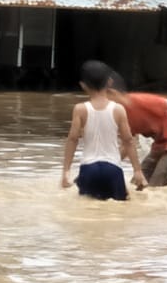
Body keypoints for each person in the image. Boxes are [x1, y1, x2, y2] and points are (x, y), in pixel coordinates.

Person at [61, 60, 147, 199]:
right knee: (120, 208)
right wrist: (137, 170)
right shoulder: (118, 109)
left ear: (83, 85)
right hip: (113, 169)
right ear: (110, 83)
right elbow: (128, 141)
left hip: (88, 169)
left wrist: (66, 171)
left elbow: (72, 139)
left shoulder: (80, 109)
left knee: (87, 208)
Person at [107, 84, 167, 187]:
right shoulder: (122, 114)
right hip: (159, 148)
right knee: (136, 186)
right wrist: (111, 165)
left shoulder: (139, 101)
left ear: (113, 93)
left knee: (155, 188)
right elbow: (127, 144)